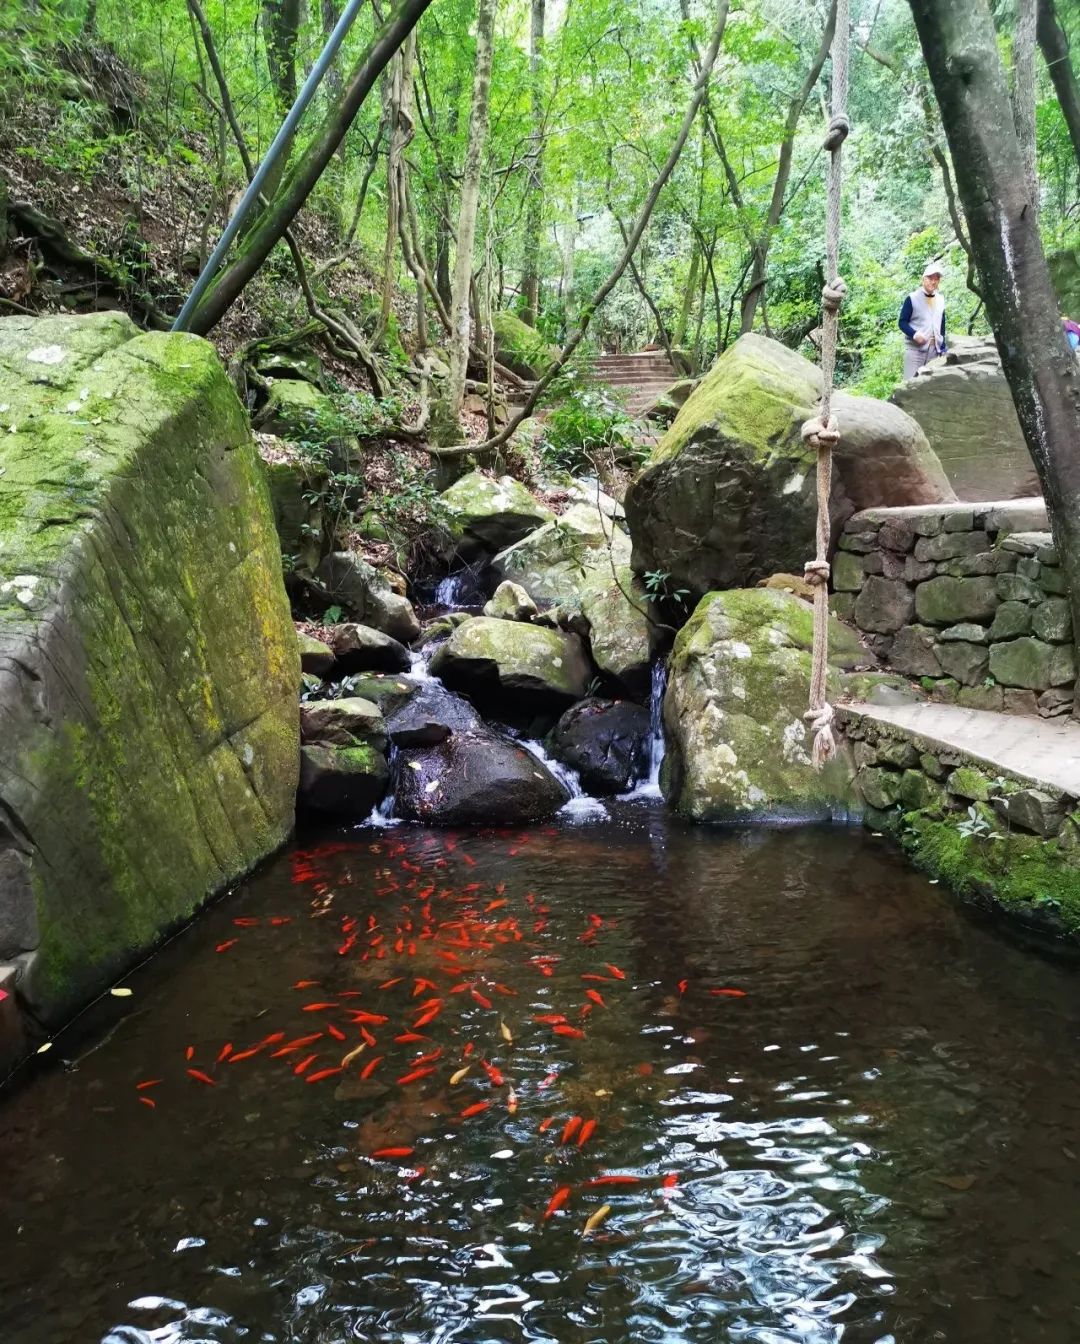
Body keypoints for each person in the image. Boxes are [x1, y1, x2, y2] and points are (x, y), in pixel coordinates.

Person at [899, 262, 947, 380]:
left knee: (931, 386)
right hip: (915, 350)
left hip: (935, 351)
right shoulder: (912, 298)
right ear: (923, 279)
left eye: (937, 279)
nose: (933, 281)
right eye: (930, 278)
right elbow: (902, 322)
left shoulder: (941, 299)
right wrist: (914, 334)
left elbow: (942, 325)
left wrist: (943, 345)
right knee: (910, 384)